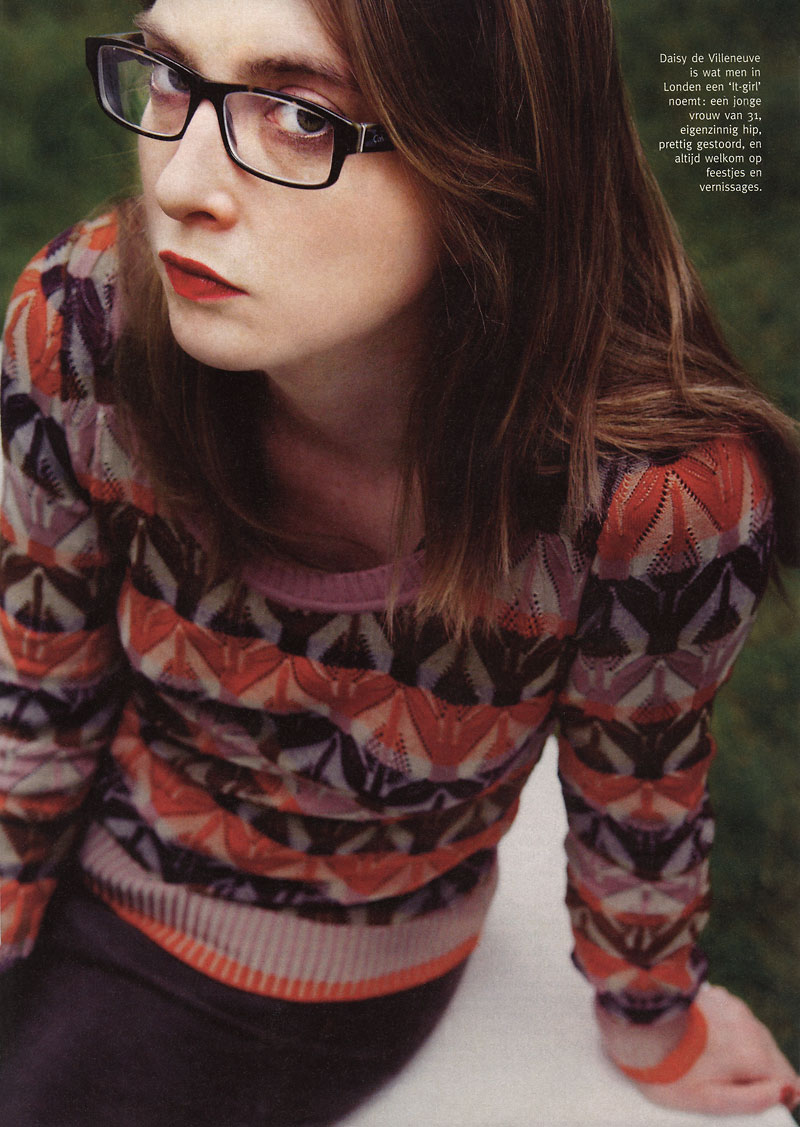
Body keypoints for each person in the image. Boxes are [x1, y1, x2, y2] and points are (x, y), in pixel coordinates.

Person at [1, 0, 798, 1123]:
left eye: (298, 115)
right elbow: (37, 675)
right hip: (79, 834)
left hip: (293, 976)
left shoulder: (653, 500)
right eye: (171, 77)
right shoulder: (84, 323)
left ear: (492, 155)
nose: (178, 184)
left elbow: (640, 784)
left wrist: (651, 1017)